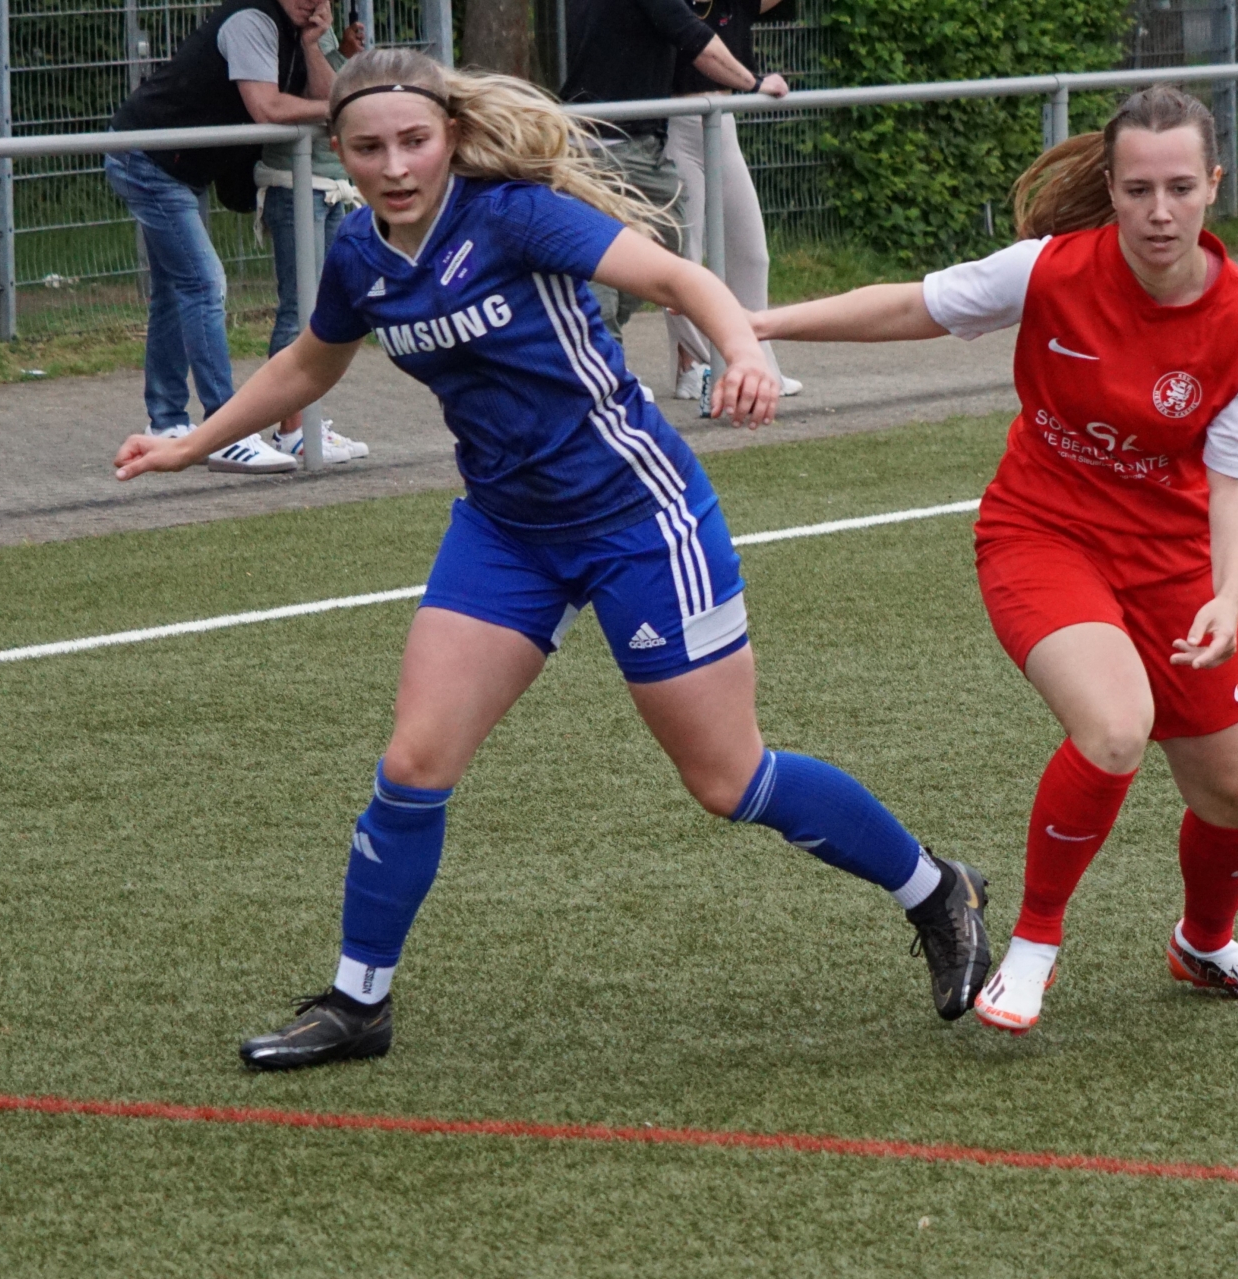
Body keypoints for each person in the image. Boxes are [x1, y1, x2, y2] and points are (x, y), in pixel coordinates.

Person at [112, 49, 992, 1070]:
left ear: (449, 136)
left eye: (414, 141)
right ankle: (358, 1001)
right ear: (337, 153)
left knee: (727, 777)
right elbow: (310, 361)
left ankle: (936, 889)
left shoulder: (514, 217)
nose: (394, 165)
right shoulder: (358, 253)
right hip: (506, 531)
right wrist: (193, 442)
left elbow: (675, 277)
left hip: (638, 517)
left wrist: (745, 351)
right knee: (413, 764)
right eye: (368, 148)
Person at [752, 86, 1238, 1034]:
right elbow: (913, 306)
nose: (1160, 211)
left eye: (1181, 187)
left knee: (1235, 795)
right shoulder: (1048, 270)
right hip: (1041, 533)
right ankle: (1033, 942)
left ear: (1215, 184)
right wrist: (762, 325)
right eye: (1138, 189)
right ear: (1112, 186)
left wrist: (1227, 595)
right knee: (1115, 727)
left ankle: (1205, 945)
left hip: (1170, 560)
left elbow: (1235, 482)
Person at [107, 0, 341, 474]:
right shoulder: (251, 21)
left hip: (179, 166)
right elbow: (268, 107)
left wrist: (313, 47)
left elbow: (327, 97)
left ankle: (166, 422)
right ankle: (225, 431)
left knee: (174, 291)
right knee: (204, 282)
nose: (312, 1)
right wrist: (337, 109)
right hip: (147, 158)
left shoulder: (298, 31)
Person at [561, 0, 782, 344]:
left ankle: (603, 333)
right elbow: (696, 41)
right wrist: (754, 83)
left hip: (623, 140)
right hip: (611, 142)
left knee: (667, 235)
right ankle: (608, 351)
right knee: (612, 267)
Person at [664, 0, 802, 404]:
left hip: (722, 120)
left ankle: (756, 359)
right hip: (673, 119)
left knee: (751, 254)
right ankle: (694, 366)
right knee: (685, 255)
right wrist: (755, 83)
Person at [252, 15, 368, 462]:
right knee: (298, 308)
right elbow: (332, 101)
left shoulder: (321, 33)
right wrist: (315, 46)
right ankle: (292, 429)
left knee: (318, 306)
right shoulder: (290, 34)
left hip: (329, 184)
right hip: (296, 183)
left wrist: (342, 52)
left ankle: (306, 422)